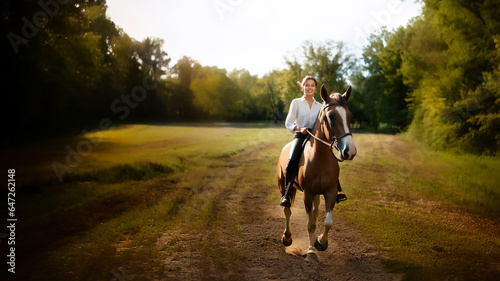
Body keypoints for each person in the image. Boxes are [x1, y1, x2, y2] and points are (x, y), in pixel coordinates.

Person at [280, 76, 347, 207]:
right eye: (307, 85)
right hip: (300, 135)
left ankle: (338, 189)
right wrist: (298, 128)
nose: (309, 87)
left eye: (312, 85)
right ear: (303, 87)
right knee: (292, 160)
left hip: (317, 138)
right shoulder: (296, 103)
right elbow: (288, 122)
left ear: (315, 88)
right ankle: (287, 193)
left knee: (331, 160)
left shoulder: (320, 105)